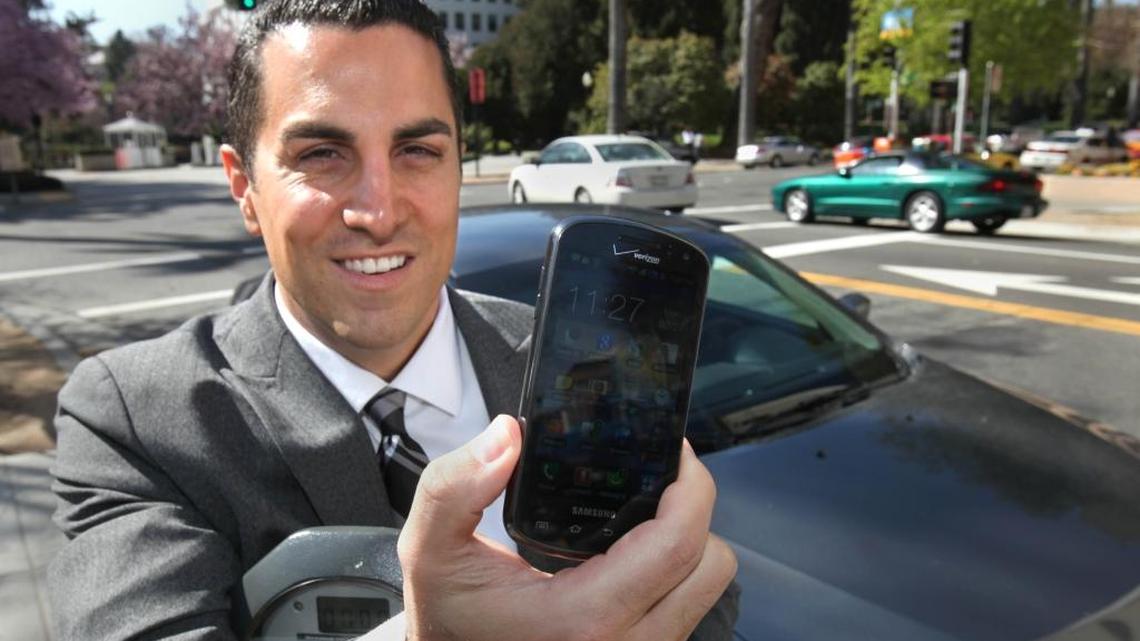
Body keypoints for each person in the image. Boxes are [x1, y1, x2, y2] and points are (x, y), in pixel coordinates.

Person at [47, 1, 738, 640]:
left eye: (418, 151)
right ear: (244, 188)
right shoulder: (136, 419)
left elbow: (699, 597)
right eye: (322, 153)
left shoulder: (572, 364)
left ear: (458, 166)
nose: (378, 212)